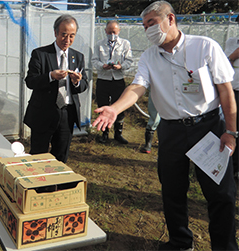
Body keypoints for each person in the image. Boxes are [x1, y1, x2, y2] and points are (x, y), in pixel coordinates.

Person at [92, 1, 238, 250]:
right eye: (144, 25)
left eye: (152, 23)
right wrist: (115, 108)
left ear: (170, 19)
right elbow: (138, 86)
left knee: (220, 194)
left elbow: (225, 91)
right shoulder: (149, 56)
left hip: (208, 127)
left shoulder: (204, 46)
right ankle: (180, 242)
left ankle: (224, 246)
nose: (148, 29)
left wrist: (231, 132)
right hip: (171, 131)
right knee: (172, 190)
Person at [23, 14, 88, 163]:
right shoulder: (41, 54)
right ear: (55, 33)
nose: (67, 40)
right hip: (43, 112)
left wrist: (77, 82)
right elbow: (30, 81)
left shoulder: (77, 57)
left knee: (61, 155)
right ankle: (38, 184)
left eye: (72, 36)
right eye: (63, 35)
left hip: (67, 113)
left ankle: (56, 185)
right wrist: (50, 76)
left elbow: (84, 85)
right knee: (38, 155)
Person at [92, 20, 133, 144]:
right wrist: (102, 66)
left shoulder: (125, 44)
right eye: (109, 32)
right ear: (105, 31)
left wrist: (121, 67)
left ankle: (118, 134)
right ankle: (104, 134)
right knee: (103, 105)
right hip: (103, 80)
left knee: (119, 106)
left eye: (114, 32)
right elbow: (94, 61)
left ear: (119, 31)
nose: (112, 34)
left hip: (118, 79)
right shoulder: (99, 44)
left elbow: (129, 61)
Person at [224, 17, 239, 180]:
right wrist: (233, 55)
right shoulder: (231, 42)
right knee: (231, 130)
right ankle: (231, 167)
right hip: (232, 92)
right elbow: (224, 64)